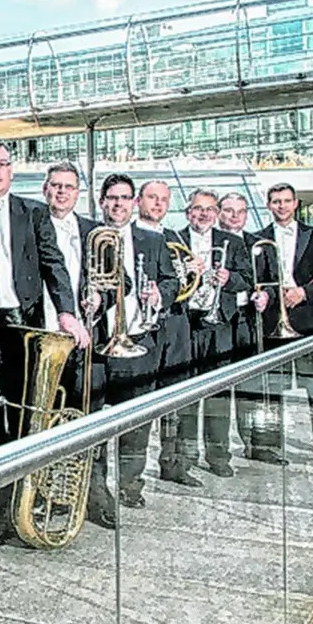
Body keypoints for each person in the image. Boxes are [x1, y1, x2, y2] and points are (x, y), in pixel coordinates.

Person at [0, 139, 90, 550]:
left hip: (23, 328)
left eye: (2, 164)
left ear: (12, 170)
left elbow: (54, 264)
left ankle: (28, 503)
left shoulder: (33, 212)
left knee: (27, 420)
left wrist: (66, 312)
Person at [86, 174, 178, 510]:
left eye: (125, 198)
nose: (118, 204)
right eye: (112, 197)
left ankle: (130, 484)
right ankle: (97, 493)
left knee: (137, 424)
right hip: (98, 344)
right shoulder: (89, 236)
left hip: (138, 340)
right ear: (102, 201)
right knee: (94, 423)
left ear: (134, 202)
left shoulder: (152, 241)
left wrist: (158, 295)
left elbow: (171, 281)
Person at [39, 162, 114, 529]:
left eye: (69, 186)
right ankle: (41, 497)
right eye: (55, 186)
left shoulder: (94, 232)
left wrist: (101, 300)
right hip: (42, 339)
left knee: (88, 421)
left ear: (78, 192)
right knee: (40, 424)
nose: (62, 192)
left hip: (85, 344)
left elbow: (122, 283)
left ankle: (93, 495)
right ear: (45, 190)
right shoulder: (32, 226)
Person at [250, 183, 313, 461]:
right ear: (268, 205)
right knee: (272, 389)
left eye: (286, 201)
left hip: (308, 323)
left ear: (296, 204)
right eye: (275, 202)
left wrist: (303, 293)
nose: (281, 206)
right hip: (272, 324)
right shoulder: (258, 239)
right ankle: (267, 446)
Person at [165, 189, 253, 478]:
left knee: (219, 394)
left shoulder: (234, 242)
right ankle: (184, 459)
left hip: (220, 323)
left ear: (217, 213)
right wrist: (186, 273)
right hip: (186, 322)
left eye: (210, 209)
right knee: (186, 393)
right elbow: (164, 280)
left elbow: (247, 281)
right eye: (198, 209)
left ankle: (218, 456)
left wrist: (229, 279)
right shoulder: (172, 239)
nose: (204, 214)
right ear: (188, 212)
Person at [135, 180, 200, 487]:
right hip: (142, 326)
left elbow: (181, 284)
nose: (158, 204)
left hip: (176, 324)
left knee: (177, 399)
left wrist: (192, 272)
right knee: (143, 401)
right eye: (152, 198)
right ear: (139, 201)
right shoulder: (129, 233)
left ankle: (174, 464)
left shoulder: (176, 237)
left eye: (163, 199)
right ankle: (132, 479)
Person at [218, 192, 288, 467]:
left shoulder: (259, 245)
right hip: (219, 323)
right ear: (219, 212)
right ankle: (219, 452)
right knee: (220, 390)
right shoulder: (210, 242)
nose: (235, 216)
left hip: (248, 321)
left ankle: (261, 445)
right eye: (229, 210)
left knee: (256, 387)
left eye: (241, 211)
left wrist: (266, 298)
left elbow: (271, 282)